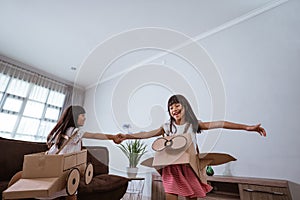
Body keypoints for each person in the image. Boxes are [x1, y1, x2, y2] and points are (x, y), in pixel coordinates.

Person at [117, 94, 266, 200]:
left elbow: (220, 123)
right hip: (171, 167)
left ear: (185, 107)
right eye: (170, 107)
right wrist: (127, 136)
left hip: (190, 167)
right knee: (170, 194)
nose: (174, 109)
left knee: (191, 196)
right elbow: (147, 133)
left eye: (177, 105)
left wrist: (247, 127)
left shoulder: (193, 124)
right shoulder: (167, 126)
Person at [44, 105, 121, 200]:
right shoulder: (75, 132)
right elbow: (94, 135)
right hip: (65, 169)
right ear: (75, 116)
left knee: (70, 192)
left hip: (55, 165)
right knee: (71, 191)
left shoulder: (62, 131)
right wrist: (112, 137)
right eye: (82, 115)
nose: (85, 118)